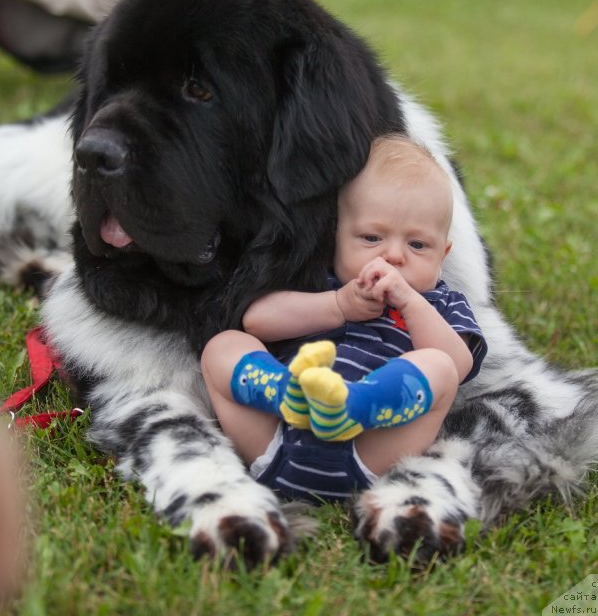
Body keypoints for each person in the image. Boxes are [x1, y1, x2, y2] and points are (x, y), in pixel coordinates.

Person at [201, 135, 487, 502]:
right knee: (222, 346)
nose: (394, 256)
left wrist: (410, 303)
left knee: (439, 366)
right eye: (371, 237)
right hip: (273, 440)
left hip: (370, 455)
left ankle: (353, 407)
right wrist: (338, 305)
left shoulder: (441, 303)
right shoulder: (322, 283)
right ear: (335, 236)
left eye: (418, 245)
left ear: (444, 253)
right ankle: (286, 394)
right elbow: (256, 321)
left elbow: (458, 365)